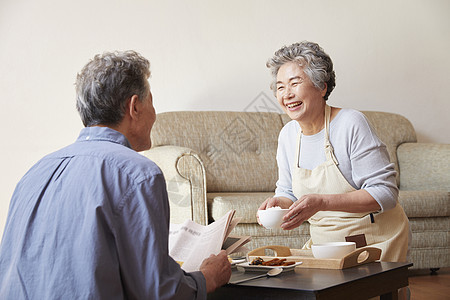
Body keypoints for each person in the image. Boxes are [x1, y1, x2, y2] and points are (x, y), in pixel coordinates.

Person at [0, 50, 231, 299]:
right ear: (135, 107)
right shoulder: (139, 174)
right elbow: (158, 293)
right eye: (151, 101)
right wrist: (206, 278)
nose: (154, 113)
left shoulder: (34, 173)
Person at [258, 41, 410, 263]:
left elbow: (385, 193)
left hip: (374, 242)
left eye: (295, 83)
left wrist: (322, 202)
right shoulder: (287, 135)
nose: (287, 94)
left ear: (322, 87)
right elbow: (288, 192)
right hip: (325, 245)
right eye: (280, 87)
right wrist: (278, 204)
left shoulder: (351, 123)